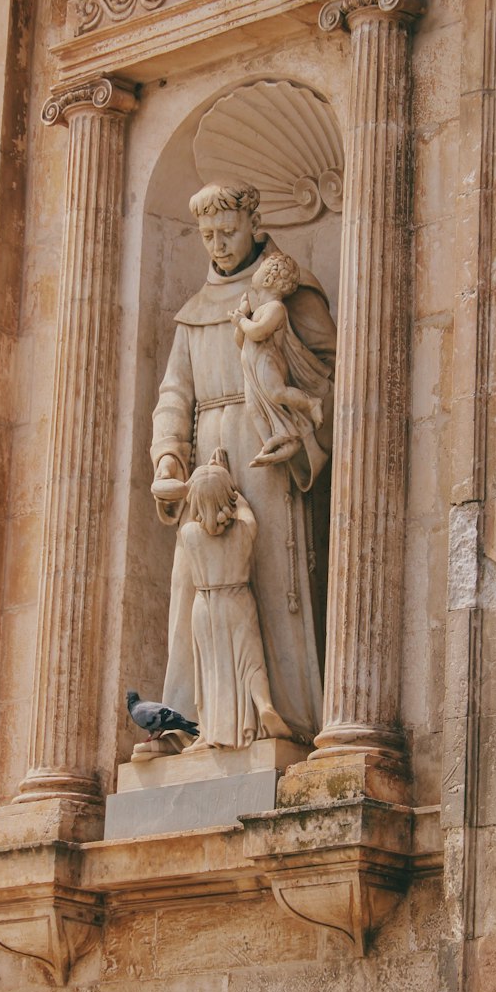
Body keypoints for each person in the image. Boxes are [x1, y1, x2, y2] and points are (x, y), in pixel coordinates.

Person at [151, 183, 336, 742]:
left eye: (227, 232)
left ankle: (284, 717)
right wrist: (167, 457)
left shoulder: (292, 289)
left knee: (272, 580)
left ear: (253, 225)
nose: (218, 245)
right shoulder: (193, 313)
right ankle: (188, 721)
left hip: (264, 452)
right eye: (208, 236)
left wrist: (278, 367)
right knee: (194, 589)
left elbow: (327, 367)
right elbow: (174, 394)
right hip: (207, 453)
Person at [177, 453, 290, 748]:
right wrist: (229, 484)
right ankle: (263, 705)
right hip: (238, 598)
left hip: (204, 606)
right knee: (249, 662)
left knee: (213, 671)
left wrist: (206, 483)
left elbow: (198, 513)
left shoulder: (189, 534)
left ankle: (213, 730)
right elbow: (245, 511)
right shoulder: (243, 529)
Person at [231, 250, 330, 469]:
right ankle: (271, 440)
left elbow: (258, 333)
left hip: (268, 361)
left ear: (266, 279)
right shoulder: (257, 310)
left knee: (277, 393)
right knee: (253, 407)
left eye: (258, 270)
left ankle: (310, 402)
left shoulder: (276, 308)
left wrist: (241, 321)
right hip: (251, 365)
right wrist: (242, 317)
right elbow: (241, 341)